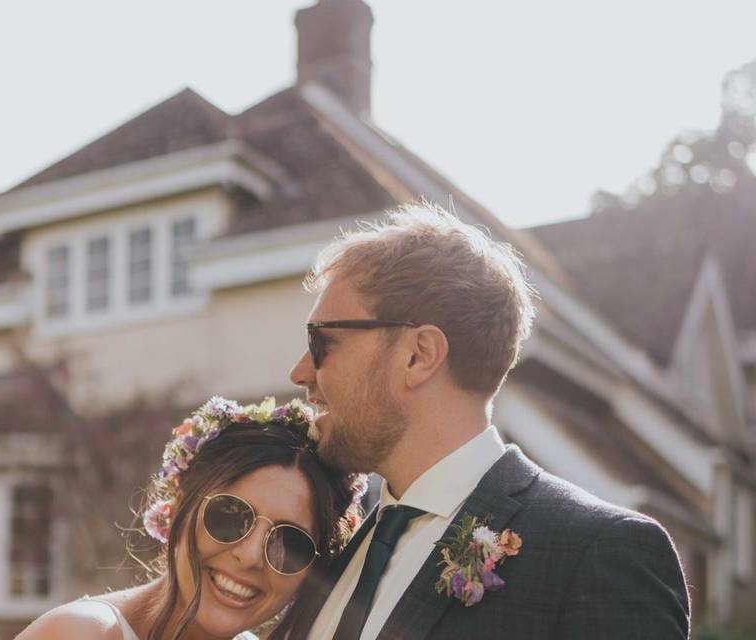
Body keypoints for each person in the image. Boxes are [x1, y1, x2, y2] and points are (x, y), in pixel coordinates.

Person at [278, 204, 691, 639]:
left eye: (323, 342)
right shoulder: (333, 551)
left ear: (419, 355)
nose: (300, 372)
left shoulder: (596, 553)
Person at [16, 397, 366, 640]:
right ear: (181, 502)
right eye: (231, 516)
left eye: (291, 543)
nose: (250, 556)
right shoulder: (82, 634)